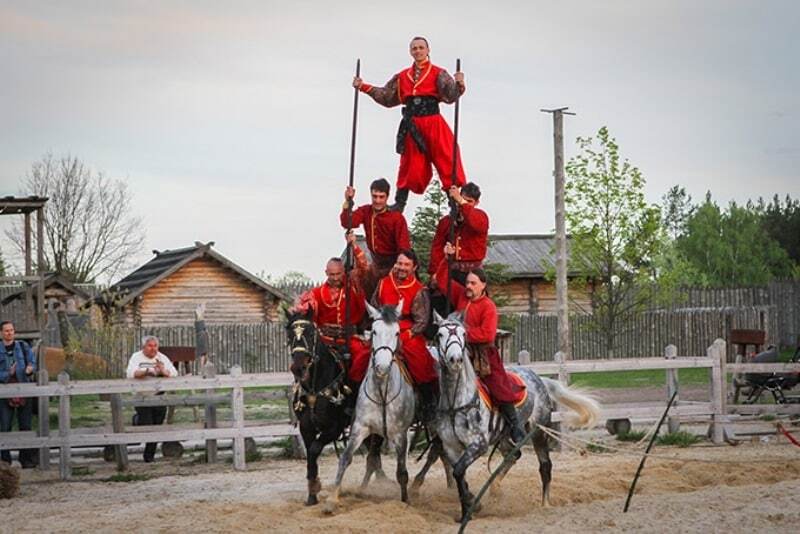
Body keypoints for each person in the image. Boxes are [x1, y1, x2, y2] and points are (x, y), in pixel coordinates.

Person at [353, 36, 466, 212]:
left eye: (421, 48)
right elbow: (386, 96)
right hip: (412, 124)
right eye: (414, 48)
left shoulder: (438, 73)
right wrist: (363, 86)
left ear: (428, 50)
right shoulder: (402, 76)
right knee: (409, 163)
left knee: (447, 157)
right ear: (410, 52)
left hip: (433, 121)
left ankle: (455, 204)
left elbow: (451, 96)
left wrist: (459, 83)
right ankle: (400, 203)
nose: (418, 51)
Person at [436, 265, 526, 444]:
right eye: (467, 282)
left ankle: (515, 425)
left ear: (482, 285)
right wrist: (446, 258)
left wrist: (461, 332)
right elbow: (441, 279)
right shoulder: (461, 295)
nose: (468, 286)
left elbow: (487, 334)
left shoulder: (488, 306)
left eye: (473, 283)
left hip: (484, 354)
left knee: (498, 385)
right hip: (459, 350)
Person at [372, 249, 438, 421]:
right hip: (384, 328)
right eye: (399, 263)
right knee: (362, 355)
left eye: (406, 265)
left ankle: (427, 402)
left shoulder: (418, 289)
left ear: (414, 267)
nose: (402, 267)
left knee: (420, 361)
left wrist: (407, 335)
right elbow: (374, 305)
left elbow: (422, 321)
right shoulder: (383, 283)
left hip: (407, 329)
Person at [292, 250, 371, 389]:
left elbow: (364, 268)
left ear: (344, 272)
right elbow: (307, 307)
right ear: (326, 273)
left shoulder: (353, 288)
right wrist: (300, 309)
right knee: (307, 361)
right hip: (325, 340)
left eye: (338, 274)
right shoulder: (316, 293)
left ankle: (355, 391)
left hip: (349, 338)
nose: (335, 278)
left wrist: (353, 245)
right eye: (332, 274)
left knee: (363, 356)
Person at [341, 178, 411, 294]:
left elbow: (404, 248)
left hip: (394, 266)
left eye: (381, 197)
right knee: (353, 277)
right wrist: (348, 201)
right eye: (375, 196)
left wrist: (397, 270)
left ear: (387, 197)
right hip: (376, 265)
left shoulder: (397, 218)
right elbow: (347, 222)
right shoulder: (366, 211)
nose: (377, 200)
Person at [125, 335, 178, 462]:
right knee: (146, 424)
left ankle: (149, 457)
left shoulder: (162, 358)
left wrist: (163, 372)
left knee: (157, 427)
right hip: (142, 396)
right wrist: (147, 372)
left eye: (155, 346)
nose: (153, 349)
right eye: (150, 346)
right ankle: (137, 420)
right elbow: (131, 373)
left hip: (159, 396)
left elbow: (174, 373)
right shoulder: (136, 357)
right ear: (144, 347)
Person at [429, 183, 489, 286]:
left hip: (473, 273)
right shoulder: (446, 221)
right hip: (450, 272)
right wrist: (435, 271)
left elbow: (475, 224)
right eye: (463, 199)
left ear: (477, 202)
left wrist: (462, 202)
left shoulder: (481, 217)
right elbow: (437, 248)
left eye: (469, 201)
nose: (464, 203)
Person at [0, 321, 37, 467]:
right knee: (5, 427)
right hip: (4, 393)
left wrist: (30, 368)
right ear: (2, 333)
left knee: (25, 426)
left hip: (24, 391)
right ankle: (5, 462)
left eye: (12, 330)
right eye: (6, 331)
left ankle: (26, 461)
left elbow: (33, 363)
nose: (10, 333)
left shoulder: (23, 346)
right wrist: (8, 373)